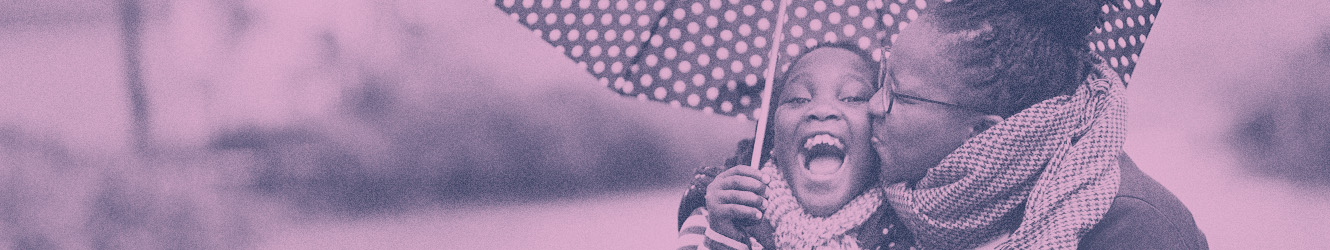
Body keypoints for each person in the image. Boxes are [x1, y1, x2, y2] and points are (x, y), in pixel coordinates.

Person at [865, 0, 1208, 249]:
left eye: (899, 95)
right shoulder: (900, 206)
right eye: (882, 79)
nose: (873, 105)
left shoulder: (1136, 230)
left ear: (985, 135)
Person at [677, 44, 893, 250]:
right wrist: (723, 239)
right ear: (773, 132)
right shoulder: (716, 218)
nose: (822, 109)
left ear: (882, 128)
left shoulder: (905, 227)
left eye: (852, 97)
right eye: (799, 99)